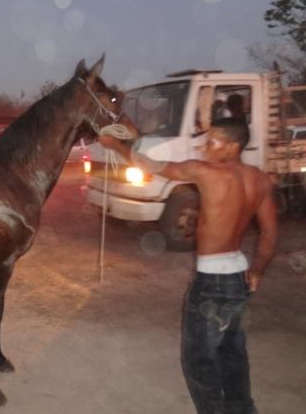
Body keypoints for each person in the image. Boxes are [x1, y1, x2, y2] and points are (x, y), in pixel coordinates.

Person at [99, 117, 277, 414]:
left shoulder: (204, 172)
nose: (204, 146)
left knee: (199, 360)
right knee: (232, 353)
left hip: (211, 282)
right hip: (238, 278)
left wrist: (116, 145)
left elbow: (152, 166)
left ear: (233, 147)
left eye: (213, 141)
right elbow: (270, 233)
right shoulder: (258, 179)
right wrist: (257, 269)